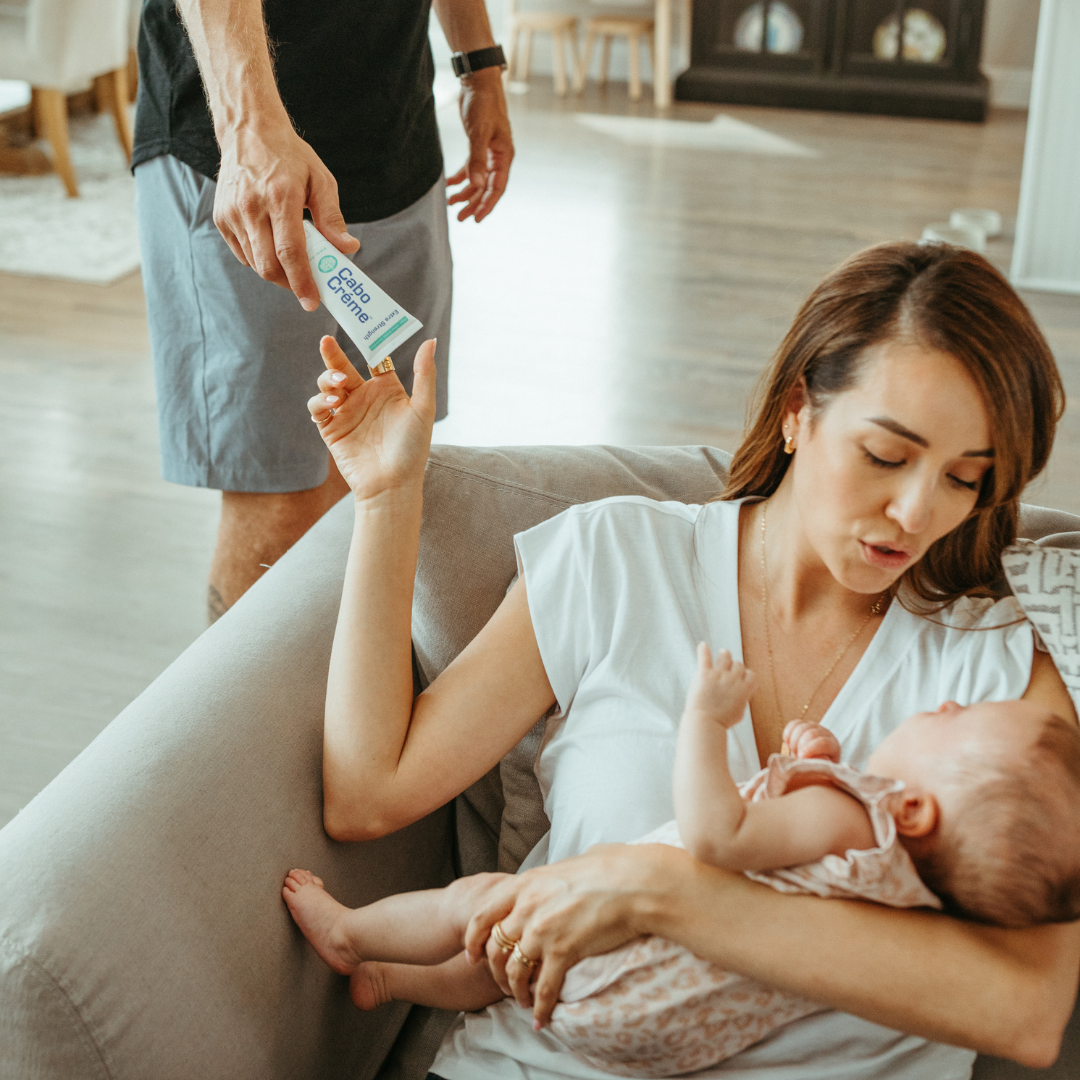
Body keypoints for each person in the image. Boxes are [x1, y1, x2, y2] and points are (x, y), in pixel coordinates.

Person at [304, 241, 1080, 1080]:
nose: (916, 511)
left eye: (966, 479)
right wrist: (387, 500)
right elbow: (367, 795)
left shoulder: (994, 680)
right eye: (885, 456)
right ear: (797, 410)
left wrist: (665, 895)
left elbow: (1027, 1012)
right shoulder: (617, 559)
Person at [281, 649, 1080, 1076]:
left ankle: (353, 935)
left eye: (960, 716)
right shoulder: (920, 896)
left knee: (487, 906)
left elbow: (717, 837)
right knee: (500, 966)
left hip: (612, 968)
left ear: (911, 809)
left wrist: (706, 719)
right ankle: (397, 983)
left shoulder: (850, 816)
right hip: (663, 1040)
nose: (945, 703)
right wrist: (817, 756)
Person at [132, 0, 513, 620]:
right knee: (279, 503)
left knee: (376, 468)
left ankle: (345, 715)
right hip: (238, 152)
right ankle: (248, 719)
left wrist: (480, 69)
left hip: (395, 133)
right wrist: (248, 127)